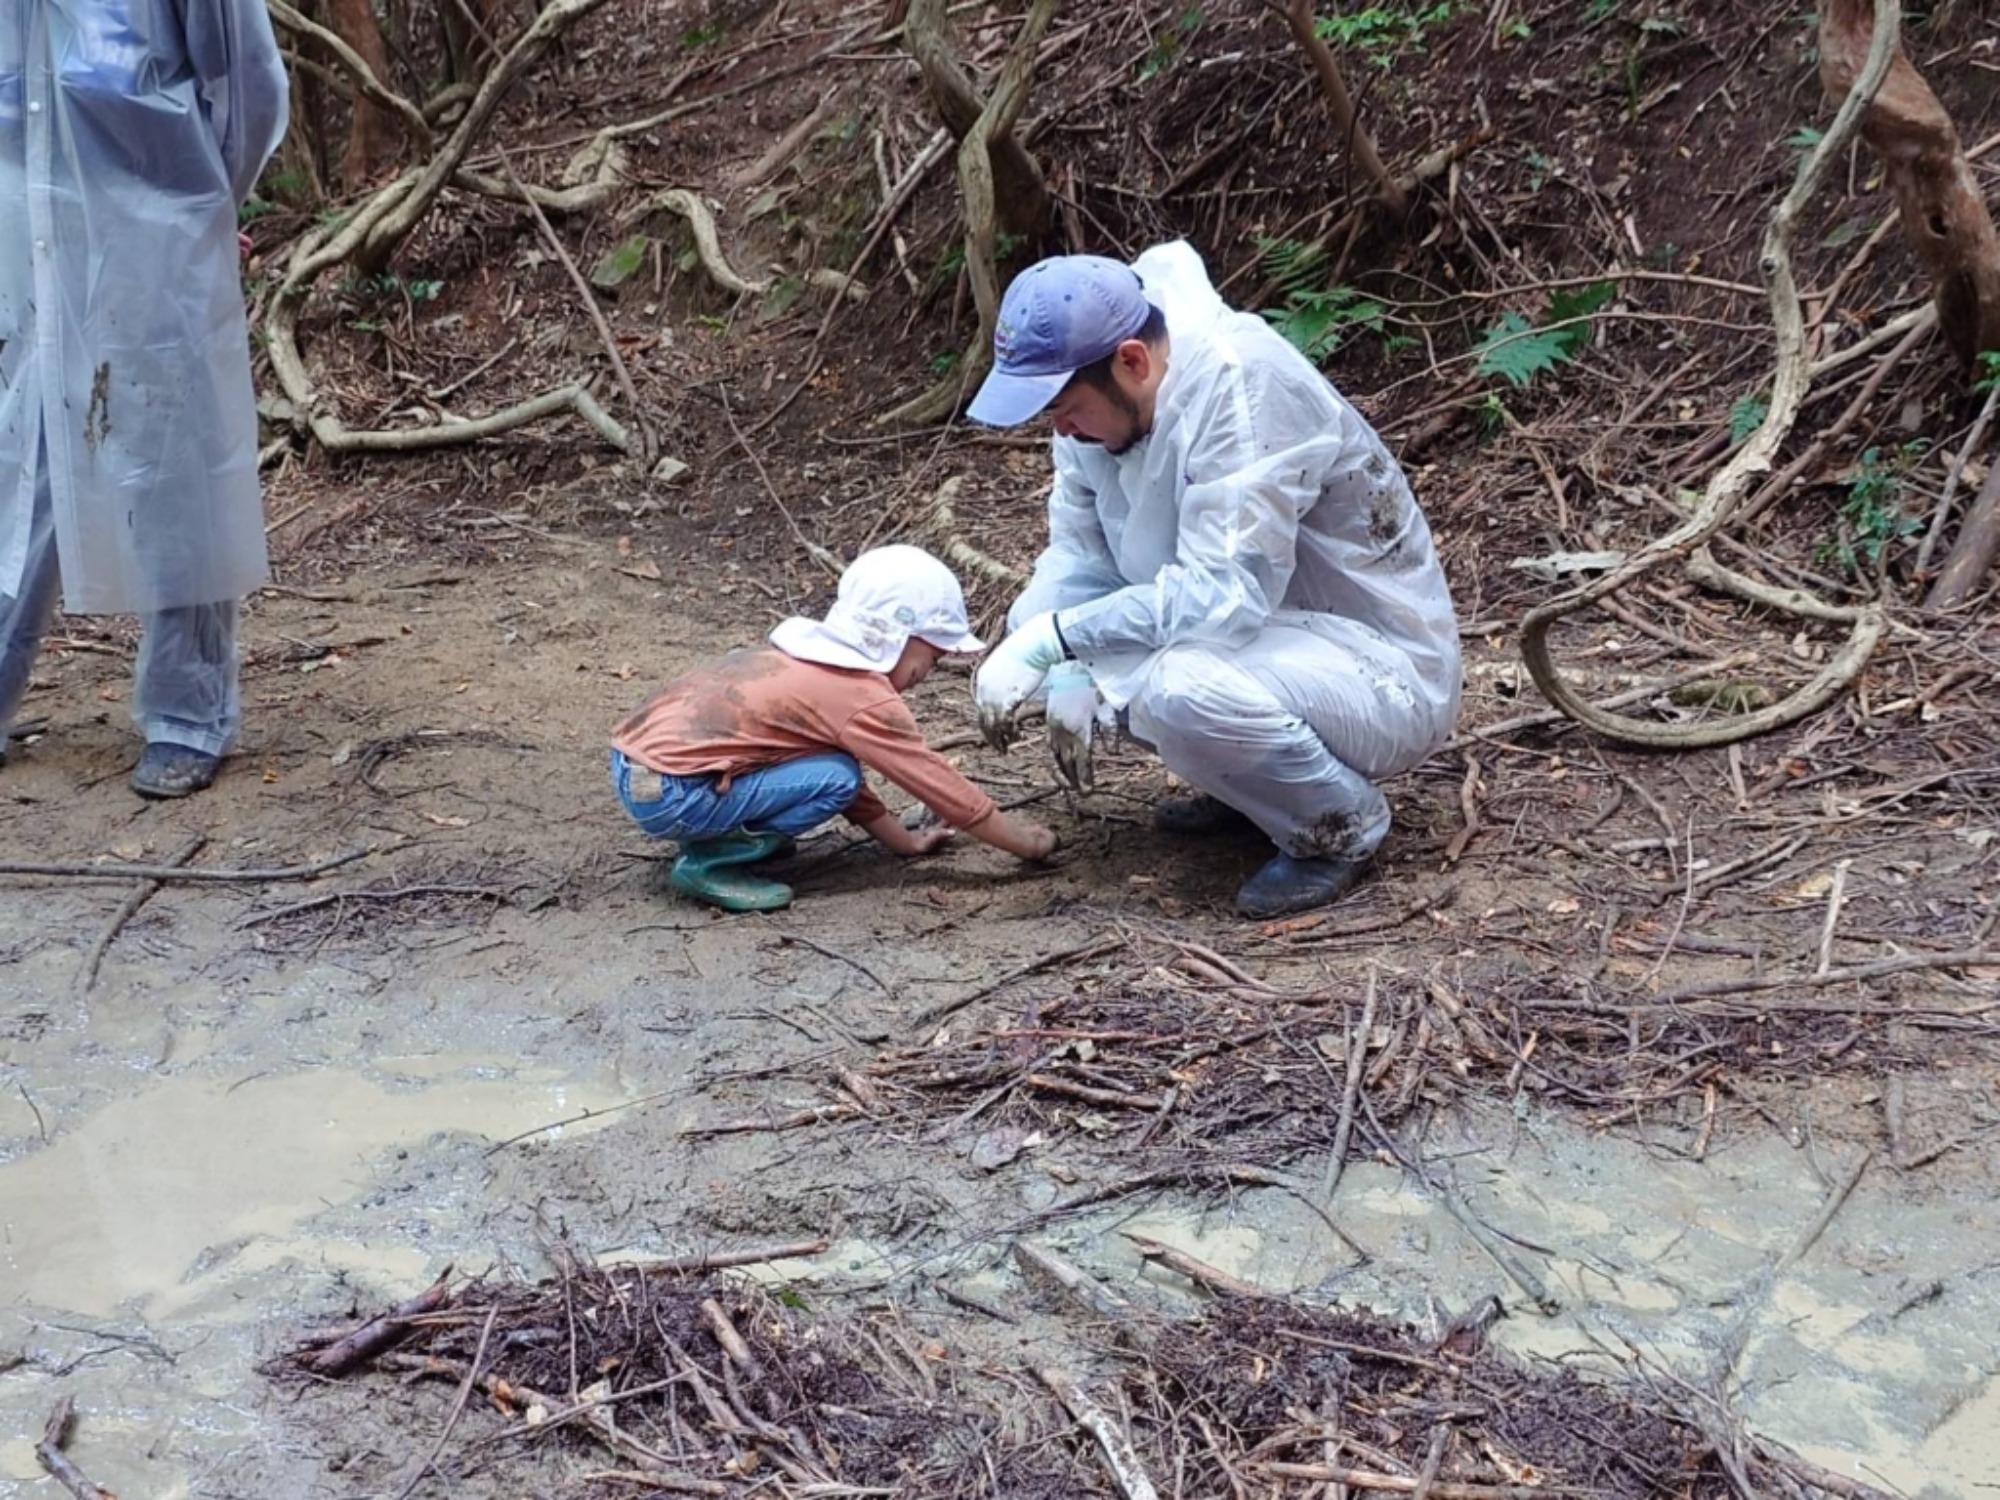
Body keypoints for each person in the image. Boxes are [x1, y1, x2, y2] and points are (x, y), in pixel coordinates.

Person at [966, 241, 1461, 919]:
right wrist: (1062, 661)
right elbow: (1078, 557)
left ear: (1132, 362)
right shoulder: (1093, 412)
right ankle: (1260, 796)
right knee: (1054, 627)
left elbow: (1226, 597)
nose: (1060, 431)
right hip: (1268, 647)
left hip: (1381, 668)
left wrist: (1060, 639)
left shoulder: (1241, 382)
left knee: (1178, 686)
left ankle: (1341, 829)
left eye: (1065, 408)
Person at [0, 1, 290, 796]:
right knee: (25, 450)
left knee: (173, 460)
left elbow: (249, 84)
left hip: (154, 223)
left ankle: (188, 710)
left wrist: (201, 205)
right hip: (27, 227)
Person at [611, 545, 1060, 913]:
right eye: (934, 653)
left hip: (636, 770)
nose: (934, 665)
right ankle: (711, 860)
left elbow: (839, 781)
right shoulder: (860, 694)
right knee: (836, 776)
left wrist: (903, 842)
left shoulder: (801, 661)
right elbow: (935, 783)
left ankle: (734, 835)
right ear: (901, 639)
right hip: (676, 793)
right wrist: (1024, 844)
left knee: (830, 770)